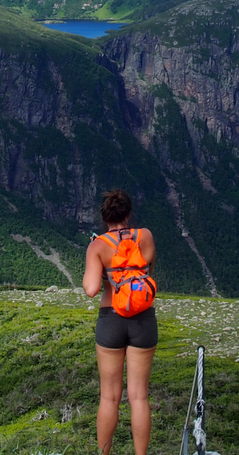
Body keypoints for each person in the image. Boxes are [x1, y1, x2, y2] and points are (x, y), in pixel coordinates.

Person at [83, 189, 157, 455]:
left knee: (109, 396)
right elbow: (148, 270)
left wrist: (100, 264)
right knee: (139, 396)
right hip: (143, 320)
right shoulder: (145, 236)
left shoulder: (97, 245)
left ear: (105, 218)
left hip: (111, 320)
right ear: (128, 214)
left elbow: (91, 289)